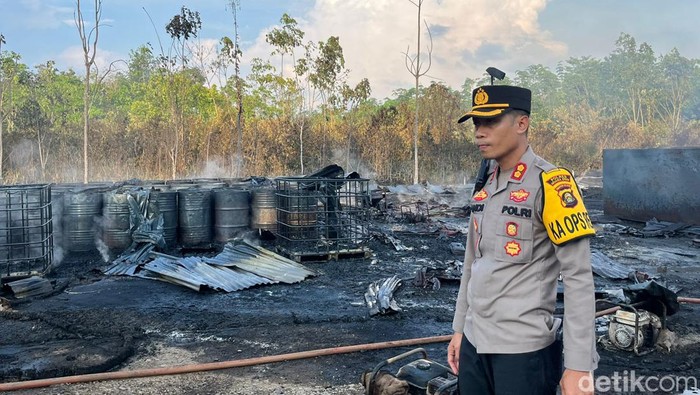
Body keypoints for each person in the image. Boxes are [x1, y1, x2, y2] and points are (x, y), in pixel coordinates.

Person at [448, 84, 598, 395]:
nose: (479, 132)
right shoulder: (486, 185)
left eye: (490, 122)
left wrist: (579, 365)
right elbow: (472, 264)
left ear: (521, 124)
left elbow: (578, 278)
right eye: (476, 123)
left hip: (522, 352)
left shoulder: (552, 184)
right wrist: (460, 329)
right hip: (476, 344)